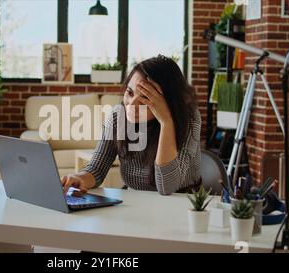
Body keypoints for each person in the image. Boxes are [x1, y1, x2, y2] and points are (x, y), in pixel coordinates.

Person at [61, 55, 202, 195]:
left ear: (168, 102)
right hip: (136, 203)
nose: (132, 105)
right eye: (129, 92)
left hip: (182, 204)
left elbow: (167, 188)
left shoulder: (189, 119)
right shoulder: (118, 116)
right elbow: (96, 170)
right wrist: (78, 179)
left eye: (145, 98)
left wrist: (166, 122)